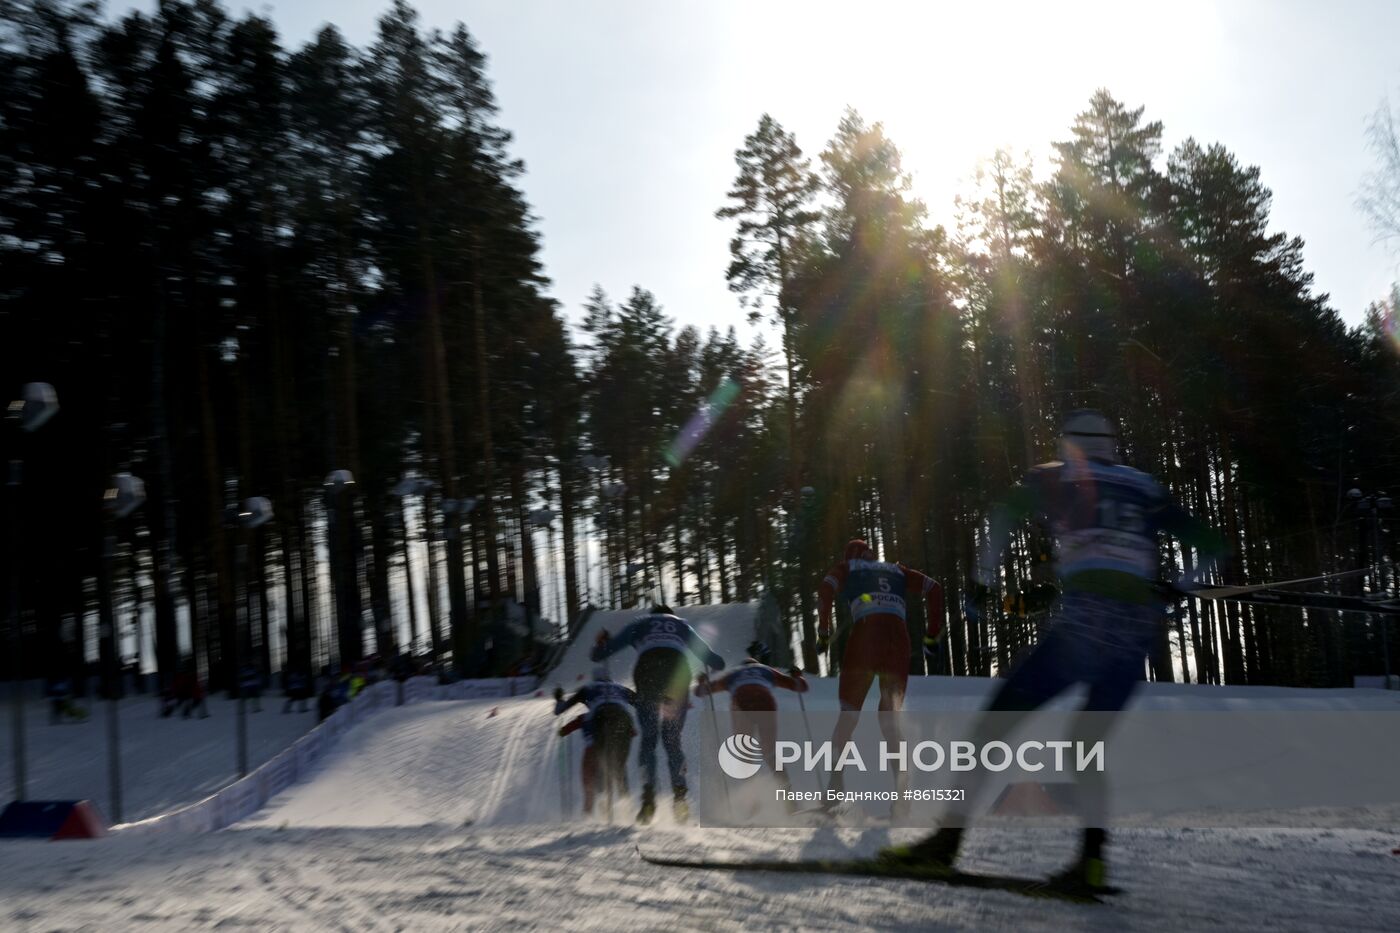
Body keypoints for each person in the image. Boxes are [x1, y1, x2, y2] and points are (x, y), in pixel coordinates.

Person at [880, 409, 1227, 894]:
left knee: (991, 728)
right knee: (1085, 747)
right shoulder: (1144, 486)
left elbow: (1000, 517)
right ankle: (1091, 863)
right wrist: (1180, 588)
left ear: (1069, 446)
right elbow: (1214, 544)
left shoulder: (1054, 476)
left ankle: (943, 845)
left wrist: (982, 583)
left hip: (1084, 629)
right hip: (1132, 638)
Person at [817, 538, 944, 806]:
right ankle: (902, 796)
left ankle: (834, 789)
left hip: (866, 635)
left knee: (849, 716)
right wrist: (932, 636)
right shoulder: (897, 569)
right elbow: (935, 589)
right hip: (898, 639)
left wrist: (824, 631)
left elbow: (826, 588)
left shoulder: (848, 566)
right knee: (889, 720)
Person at [591, 603, 725, 824]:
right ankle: (680, 798)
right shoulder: (681, 625)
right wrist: (714, 664)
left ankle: (648, 798)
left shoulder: (641, 623)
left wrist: (601, 645)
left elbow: (602, 654)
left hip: (648, 673)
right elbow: (713, 659)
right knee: (672, 740)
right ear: (671, 615)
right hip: (677, 674)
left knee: (649, 739)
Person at [694, 642, 808, 803]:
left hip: (741, 702)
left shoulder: (733, 674)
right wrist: (797, 676)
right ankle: (789, 799)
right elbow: (801, 687)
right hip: (765, 701)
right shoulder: (766, 671)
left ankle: (753, 802)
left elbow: (701, 692)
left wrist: (701, 682)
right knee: (769, 751)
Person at [553, 666, 638, 817]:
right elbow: (642, 701)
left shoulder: (587, 688)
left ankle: (604, 807)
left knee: (602, 765)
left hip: (600, 719)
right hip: (624, 719)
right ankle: (627, 807)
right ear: (610, 678)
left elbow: (560, 710)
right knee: (619, 766)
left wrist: (559, 698)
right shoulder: (620, 688)